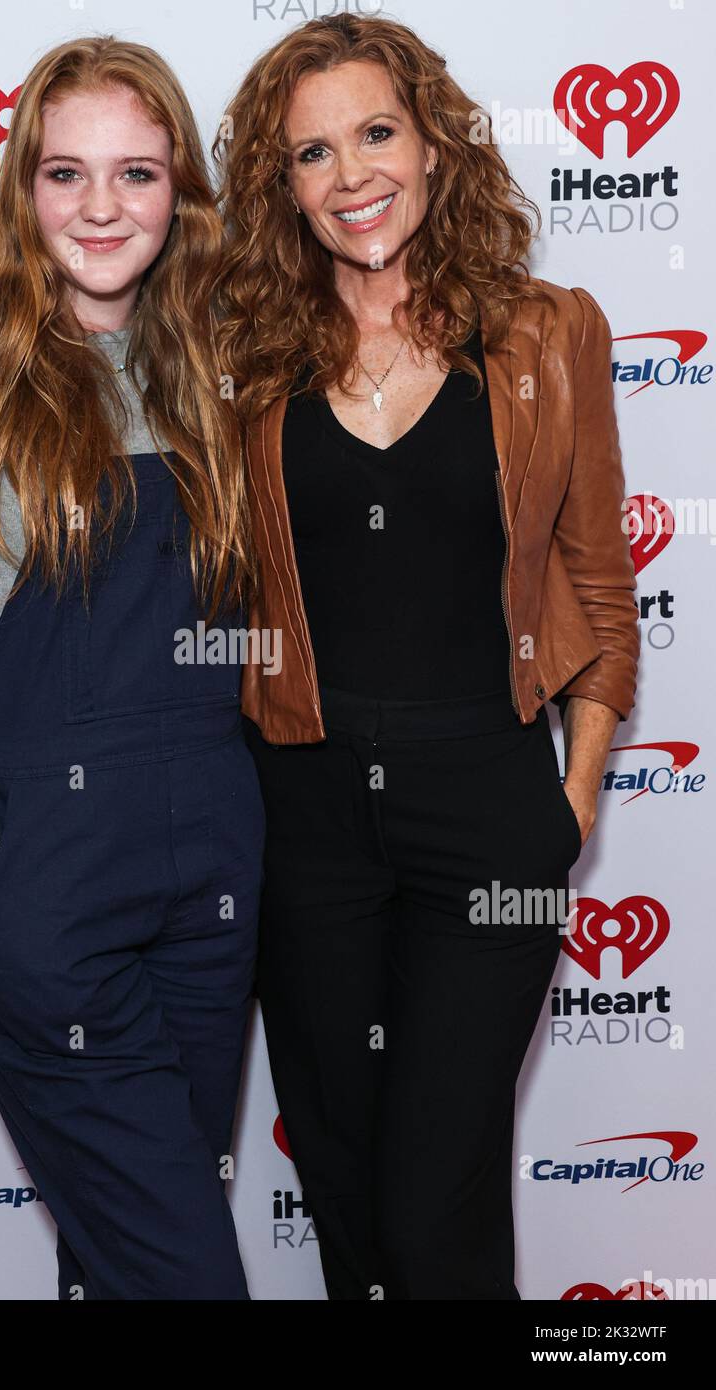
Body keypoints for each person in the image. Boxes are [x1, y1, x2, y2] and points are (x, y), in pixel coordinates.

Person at [0, 36, 264, 1301]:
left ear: (181, 189)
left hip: (211, 890)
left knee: (118, 1252)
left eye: (136, 172)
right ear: (21, 189)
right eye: (65, 174)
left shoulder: (217, 372)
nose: (100, 208)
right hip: (44, 892)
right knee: (186, 1276)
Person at [213, 14, 640, 1299]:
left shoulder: (547, 335)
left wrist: (569, 801)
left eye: (377, 133)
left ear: (437, 144)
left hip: (489, 811)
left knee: (433, 1202)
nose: (351, 176)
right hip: (305, 814)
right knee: (346, 1189)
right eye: (311, 154)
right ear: (279, 187)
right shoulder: (240, 355)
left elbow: (596, 583)